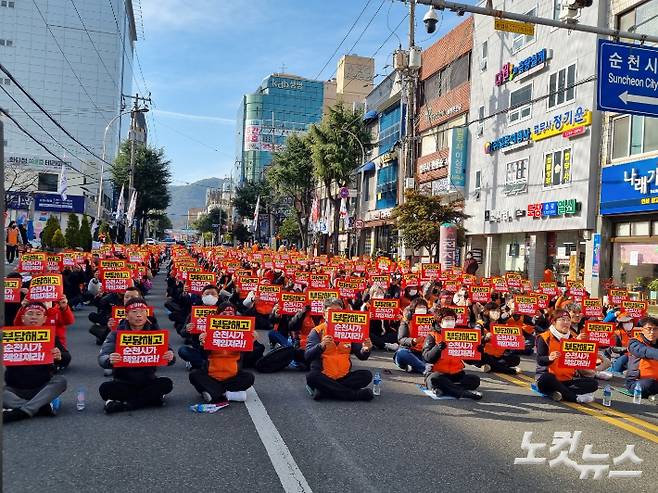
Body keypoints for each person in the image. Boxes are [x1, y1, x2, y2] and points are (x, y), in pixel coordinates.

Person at [98, 297, 175, 414]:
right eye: (134, 312)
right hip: (124, 382)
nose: (139, 315)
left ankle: (127, 404)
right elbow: (102, 357)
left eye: (142, 311)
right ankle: (149, 400)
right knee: (105, 388)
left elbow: (170, 355)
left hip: (148, 381)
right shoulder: (116, 333)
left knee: (166, 383)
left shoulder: (155, 332)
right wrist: (109, 359)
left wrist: (170, 357)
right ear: (127, 315)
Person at [3, 302, 67, 422]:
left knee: (61, 381)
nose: (33, 317)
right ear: (22, 318)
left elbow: (67, 358)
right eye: (30, 314)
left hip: (41, 388)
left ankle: (21, 411)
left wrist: (59, 356)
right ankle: (39, 408)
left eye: (38, 314)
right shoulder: (9, 336)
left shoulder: (50, 336)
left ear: (44, 319)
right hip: (14, 390)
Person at [305, 298, 374, 401]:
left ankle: (326, 391)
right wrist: (320, 346)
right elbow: (308, 356)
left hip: (344, 376)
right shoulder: (317, 331)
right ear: (324, 315)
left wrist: (366, 349)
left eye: (338, 311)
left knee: (366, 375)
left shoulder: (350, 330)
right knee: (312, 376)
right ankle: (354, 395)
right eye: (331, 312)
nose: (335, 314)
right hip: (323, 375)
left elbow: (362, 355)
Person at [188, 304, 256, 407]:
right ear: (218, 315)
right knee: (194, 374)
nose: (228, 315)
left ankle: (215, 393)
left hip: (232, 377)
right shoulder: (209, 332)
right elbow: (203, 356)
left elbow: (249, 357)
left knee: (249, 377)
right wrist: (202, 344)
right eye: (224, 313)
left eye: (231, 313)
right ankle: (227, 394)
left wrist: (252, 341)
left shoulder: (242, 332)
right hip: (211, 376)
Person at [535, 309, 598, 403]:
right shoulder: (544, 337)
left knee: (593, 384)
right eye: (562, 319)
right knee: (547, 377)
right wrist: (549, 358)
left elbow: (578, 362)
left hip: (566, 380)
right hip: (548, 379)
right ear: (554, 322)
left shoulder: (572, 339)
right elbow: (540, 360)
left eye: (568, 320)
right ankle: (574, 397)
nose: (566, 322)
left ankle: (558, 393)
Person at [423, 307, 483, 400]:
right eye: (447, 319)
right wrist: (437, 348)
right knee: (434, 379)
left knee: (474, 380)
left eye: (452, 319)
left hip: (456, 374)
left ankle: (445, 388)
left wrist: (478, 351)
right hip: (438, 373)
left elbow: (470, 361)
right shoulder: (432, 335)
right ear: (440, 322)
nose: (450, 322)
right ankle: (462, 393)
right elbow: (427, 357)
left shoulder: (459, 334)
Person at [395, 297, 431, 374]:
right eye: (419, 307)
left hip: (424, 353)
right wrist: (413, 341)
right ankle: (423, 368)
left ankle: (415, 366)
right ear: (413, 309)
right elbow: (401, 339)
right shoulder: (406, 321)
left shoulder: (432, 322)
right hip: (409, 351)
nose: (422, 309)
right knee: (401, 353)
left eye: (423, 307)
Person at [625, 316, 658, 398]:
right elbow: (645, 351)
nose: (652, 332)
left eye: (655, 329)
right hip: (637, 382)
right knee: (648, 384)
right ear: (642, 330)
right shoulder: (634, 342)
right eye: (649, 329)